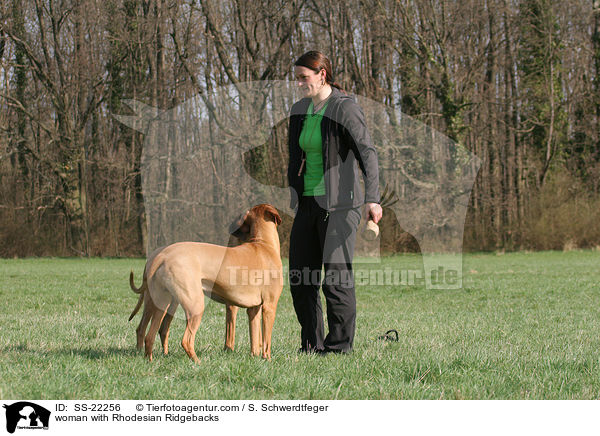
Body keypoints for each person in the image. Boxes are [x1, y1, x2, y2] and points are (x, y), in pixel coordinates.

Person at [287, 51, 382, 354]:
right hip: (308, 204)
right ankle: (311, 345)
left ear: (322, 75)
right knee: (301, 280)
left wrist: (373, 199)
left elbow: (367, 152)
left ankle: (339, 348)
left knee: (336, 281)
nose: (299, 83)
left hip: (341, 205)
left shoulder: (345, 108)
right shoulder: (300, 110)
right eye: (297, 77)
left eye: (304, 77)